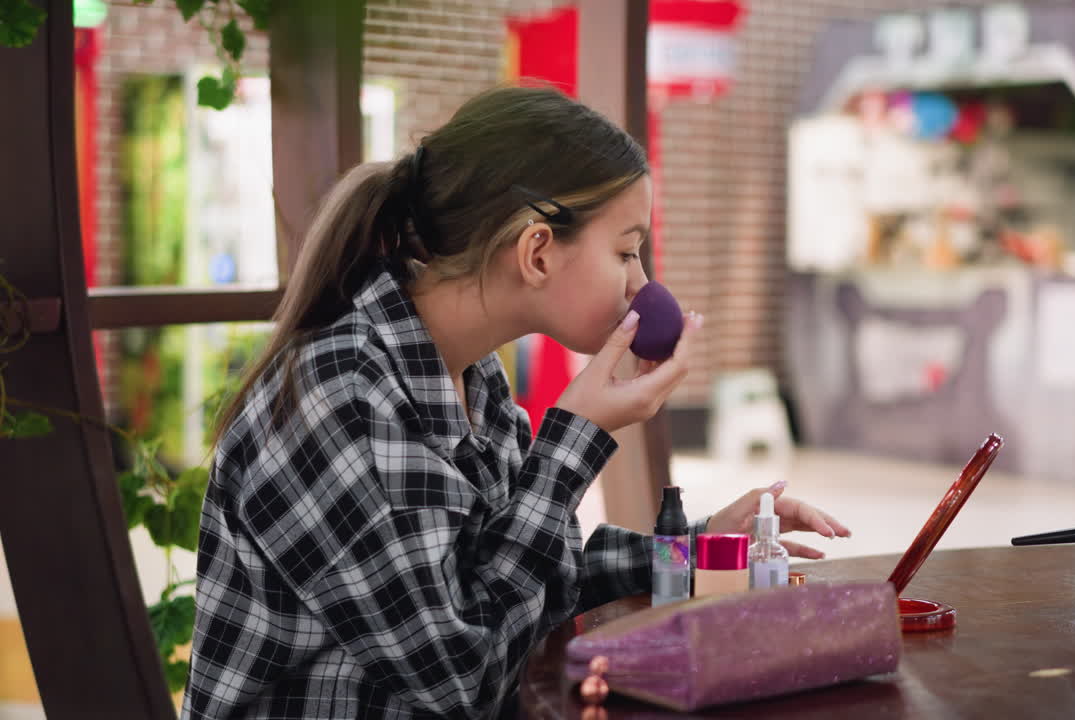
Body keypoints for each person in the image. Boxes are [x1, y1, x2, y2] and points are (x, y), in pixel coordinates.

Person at [183, 86, 851, 720]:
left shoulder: (475, 379)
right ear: (536, 251)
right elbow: (460, 678)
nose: (641, 284)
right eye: (626, 251)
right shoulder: (341, 398)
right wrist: (575, 439)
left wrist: (702, 547)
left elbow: (532, 583)